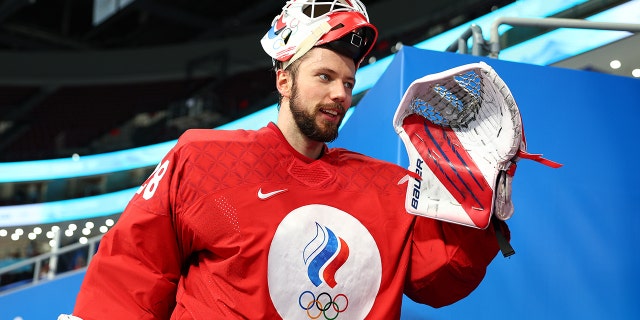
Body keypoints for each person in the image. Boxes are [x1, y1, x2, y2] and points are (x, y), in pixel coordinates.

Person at [64, 0, 509, 319]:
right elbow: (133, 273)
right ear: (283, 80)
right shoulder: (202, 159)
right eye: (324, 76)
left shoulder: (387, 187)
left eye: (349, 82)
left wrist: (481, 200)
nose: (340, 93)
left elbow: (438, 279)